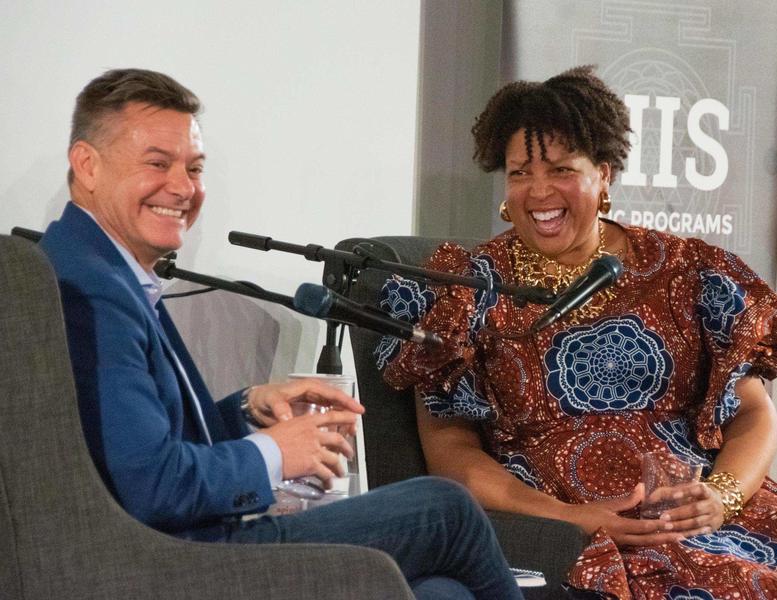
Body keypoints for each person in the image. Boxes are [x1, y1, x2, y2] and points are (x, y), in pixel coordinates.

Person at [39, 68, 525, 600]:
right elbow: (152, 484)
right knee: (446, 511)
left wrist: (246, 409)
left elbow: (131, 444)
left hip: (180, 543)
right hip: (174, 563)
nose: (183, 187)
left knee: (440, 594)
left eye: (194, 168)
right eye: (158, 163)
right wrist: (273, 454)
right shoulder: (92, 290)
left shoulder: (88, 265)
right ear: (86, 165)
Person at [381, 65, 777, 598]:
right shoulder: (463, 292)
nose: (537, 191)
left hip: (708, 517)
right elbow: (450, 455)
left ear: (604, 174)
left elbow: (754, 412)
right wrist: (567, 516)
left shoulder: (688, 271)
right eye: (518, 172)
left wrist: (723, 496)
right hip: (564, 529)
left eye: (560, 169)